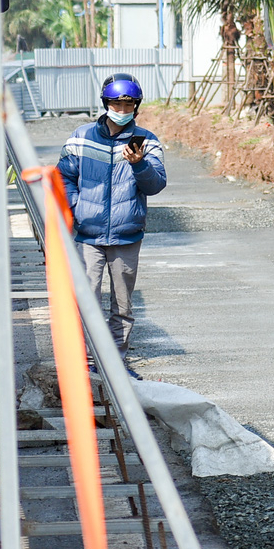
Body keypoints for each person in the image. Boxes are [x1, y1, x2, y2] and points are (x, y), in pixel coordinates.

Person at [57, 75, 168, 367]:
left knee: (122, 305)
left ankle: (116, 364)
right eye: (116, 103)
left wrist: (139, 164)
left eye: (128, 103)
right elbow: (64, 176)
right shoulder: (81, 137)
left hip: (126, 235)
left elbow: (155, 185)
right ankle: (86, 362)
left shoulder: (147, 142)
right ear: (105, 104)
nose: (122, 108)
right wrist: (76, 206)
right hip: (87, 235)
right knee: (86, 301)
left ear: (136, 106)